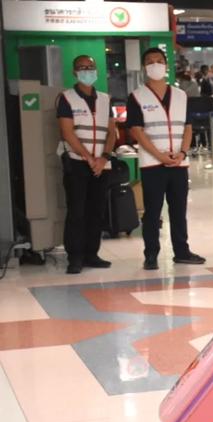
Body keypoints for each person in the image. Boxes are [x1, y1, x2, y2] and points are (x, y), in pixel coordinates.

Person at [126, 47, 205, 270]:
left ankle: (182, 251)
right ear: (144, 68)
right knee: (152, 211)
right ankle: (151, 254)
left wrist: (182, 153)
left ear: (166, 65)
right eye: (150, 61)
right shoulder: (137, 97)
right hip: (153, 164)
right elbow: (137, 131)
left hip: (179, 163)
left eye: (159, 61)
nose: (155, 65)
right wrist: (160, 155)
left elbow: (188, 128)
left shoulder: (180, 95)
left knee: (179, 209)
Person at [56, 55, 116, 274]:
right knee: (77, 211)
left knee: (97, 211)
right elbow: (67, 131)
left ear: (97, 70)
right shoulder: (66, 98)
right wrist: (88, 158)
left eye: (90, 67)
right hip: (77, 163)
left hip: (102, 164)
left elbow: (112, 132)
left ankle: (92, 254)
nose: (87, 71)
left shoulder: (105, 99)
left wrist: (104, 157)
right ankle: (75, 257)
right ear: (74, 72)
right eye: (82, 68)